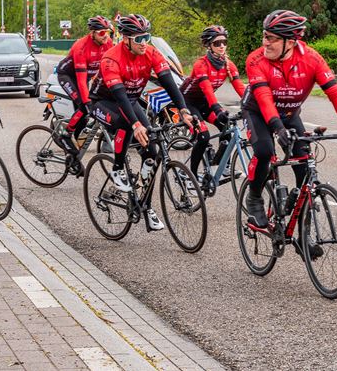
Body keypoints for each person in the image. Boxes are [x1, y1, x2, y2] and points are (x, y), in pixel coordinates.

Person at [242, 10, 337, 233]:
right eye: (264, 36)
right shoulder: (256, 60)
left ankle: (303, 235)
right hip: (257, 111)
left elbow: (335, 91)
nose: (264, 42)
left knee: (305, 168)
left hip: (289, 114)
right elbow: (265, 99)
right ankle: (255, 198)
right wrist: (277, 129)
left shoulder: (311, 59)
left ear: (291, 41)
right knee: (265, 151)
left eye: (271, 38)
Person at [87, 13, 194, 231]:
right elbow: (119, 97)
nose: (144, 43)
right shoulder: (111, 58)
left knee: (153, 153)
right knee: (127, 124)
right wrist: (136, 125)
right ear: (125, 39)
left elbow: (169, 83)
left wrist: (183, 109)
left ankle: (143, 205)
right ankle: (117, 168)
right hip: (104, 101)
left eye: (147, 37)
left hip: (131, 100)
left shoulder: (150, 52)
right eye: (139, 39)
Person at [179, 25, 246, 184]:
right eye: (217, 43)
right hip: (187, 103)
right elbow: (207, 89)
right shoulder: (201, 64)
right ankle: (192, 176)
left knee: (227, 129)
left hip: (203, 103)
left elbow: (240, 87)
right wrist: (217, 108)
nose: (222, 45)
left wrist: (251, 103)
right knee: (203, 136)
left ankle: (217, 166)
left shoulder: (228, 65)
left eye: (224, 42)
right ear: (209, 45)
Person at [53, 15, 113, 153]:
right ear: (92, 33)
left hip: (86, 76)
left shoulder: (108, 43)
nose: (106, 36)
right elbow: (80, 80)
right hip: (68, 76)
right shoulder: (81, 47)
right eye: (102, 33)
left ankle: (74, 140)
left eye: (107, 32)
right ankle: (65, 136)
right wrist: (87, 102)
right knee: (85, 105)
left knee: (87, 115)